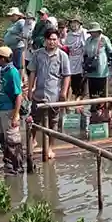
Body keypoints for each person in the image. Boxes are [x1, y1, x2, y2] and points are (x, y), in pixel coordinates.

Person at [27, 28, 73, 160]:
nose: (52, 42)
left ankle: (50, 147)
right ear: (45, 41)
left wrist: (63, 92)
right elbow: (33, 72)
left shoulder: (62, 56)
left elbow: (66, 75)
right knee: (34, 119)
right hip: (39, 93)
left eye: (54, 39)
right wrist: (30, 89)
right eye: (50, 39)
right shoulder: (38, 54)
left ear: (58, 40)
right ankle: (33, 141)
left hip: (54, 94)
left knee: (53, 122)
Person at [0, 46, 24, 173]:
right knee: (2, 137)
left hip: (9, 110)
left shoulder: (12, 72)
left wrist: (16, 114)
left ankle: (17, 166)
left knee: (12, 140)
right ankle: (8, 164)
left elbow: (18, 95)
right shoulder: (3, 70)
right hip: (1, 109)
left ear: (3, 58)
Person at [83, 22, 112, 100]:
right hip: (90, 70)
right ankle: (93, 109)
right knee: (92, 94)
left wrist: (110, 63)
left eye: (93, 31)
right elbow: (85, 53)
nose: (92, 33)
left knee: (102, 94)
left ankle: (102, 109)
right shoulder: (88, 40)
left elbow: (111, 51)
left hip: (101, 71)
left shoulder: (104, 39)